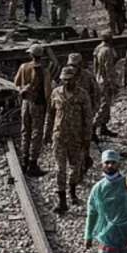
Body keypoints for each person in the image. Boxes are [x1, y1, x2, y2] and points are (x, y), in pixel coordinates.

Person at [44, 66, 93, 213]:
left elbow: (88, 118)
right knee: (60, 169)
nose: (67, 82)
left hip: (76, 138)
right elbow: (51, 114)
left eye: (70, 80)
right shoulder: (56, 93)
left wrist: (87, 138)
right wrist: (47, 133)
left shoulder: (83, 95)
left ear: (75, 79)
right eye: (64, 80)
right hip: (59, 136)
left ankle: (72, 191)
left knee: (75, 168)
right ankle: (62, 201)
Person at [14, 44, 51, 177]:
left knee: (25, 130)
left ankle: (24, 161)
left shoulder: (23, 67)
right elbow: (47, 92)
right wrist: (49, 106)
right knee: (36, 133)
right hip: (38, 104)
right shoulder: (45, 71)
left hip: (25, 103)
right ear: (41, 56)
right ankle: (33, 164)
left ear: (31, 55)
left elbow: (16, 83)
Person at [68, 52, 99, 173]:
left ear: (80, 65)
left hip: (85, 112)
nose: (72, 68)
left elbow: (96, 93)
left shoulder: (88, 76)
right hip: (71, 114)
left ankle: (85, 159)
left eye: (75, 65)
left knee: (85, 138)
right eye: (71, 65)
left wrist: (94, 110)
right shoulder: (67, 75)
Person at [93, 32, 120, 139]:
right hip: (106, 82)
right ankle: (93, 128)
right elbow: (109, 69)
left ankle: (103, 127)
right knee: (104, 105)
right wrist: (113, 84)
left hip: (99, 79)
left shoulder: (97, 48)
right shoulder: (108, 51)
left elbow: (95, 66)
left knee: (105, 105)